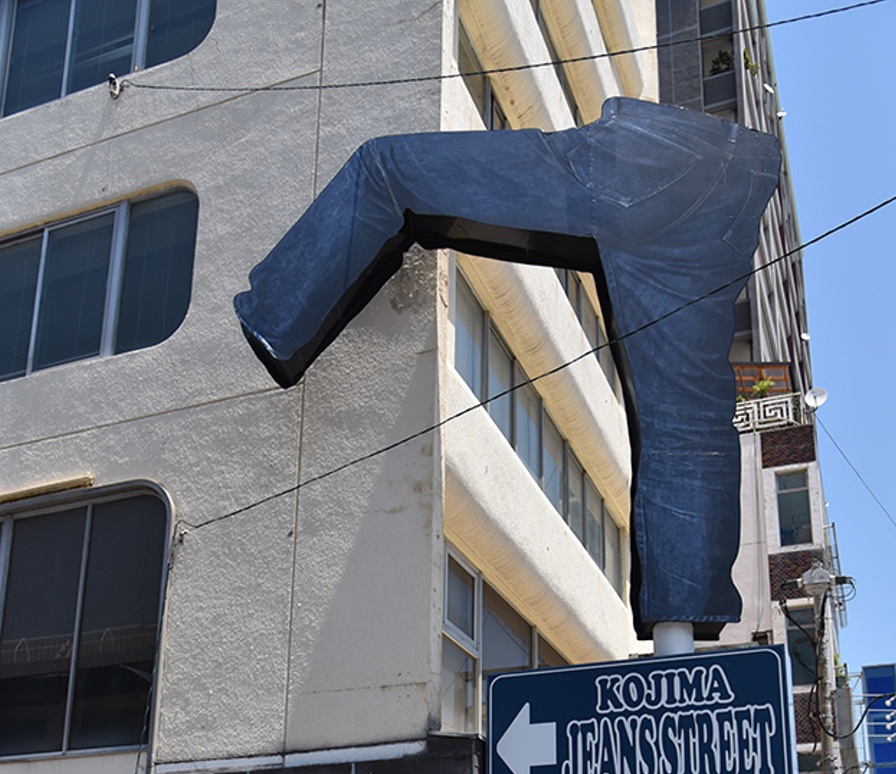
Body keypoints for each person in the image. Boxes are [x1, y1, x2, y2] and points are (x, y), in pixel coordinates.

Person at [234, 98, 781, 641]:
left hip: (652, 157)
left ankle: (275, 319)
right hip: (740, 185)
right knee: (687, 428)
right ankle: (685, 608)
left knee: (387, 169)